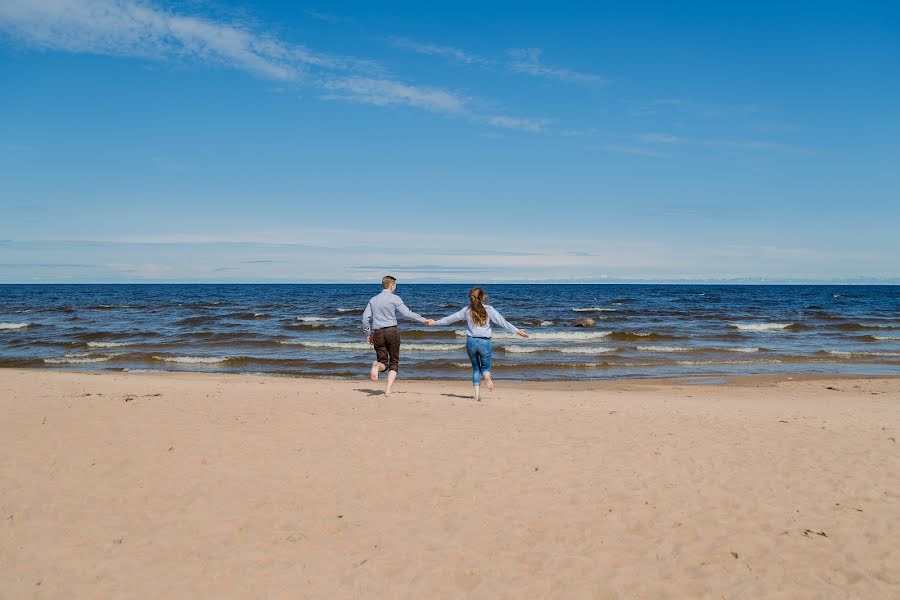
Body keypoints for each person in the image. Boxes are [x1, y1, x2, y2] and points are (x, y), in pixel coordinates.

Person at [427, 287, 527, 400]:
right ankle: (487, 376)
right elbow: (503, 322)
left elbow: (450, 319)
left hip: (471, 342)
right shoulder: (490, 310)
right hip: (485, 342)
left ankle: (477, 395)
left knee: (475, 369)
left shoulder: (466, 310)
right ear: (483, 297)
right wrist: (518, 331)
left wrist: (435, 323)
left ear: (471, 298)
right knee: (485, 368)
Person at [362, 275, 431, 397]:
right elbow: (407, 314)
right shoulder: (395, 298)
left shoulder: (373, 300)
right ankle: (388, 390)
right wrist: (423, 320)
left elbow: (365, 318)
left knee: (383, 362)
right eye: (395, 285)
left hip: (377, 333)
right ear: (391, 285)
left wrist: (368, 334)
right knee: (394, 361)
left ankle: (377, 366)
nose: (395, 287)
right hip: (391, 331)